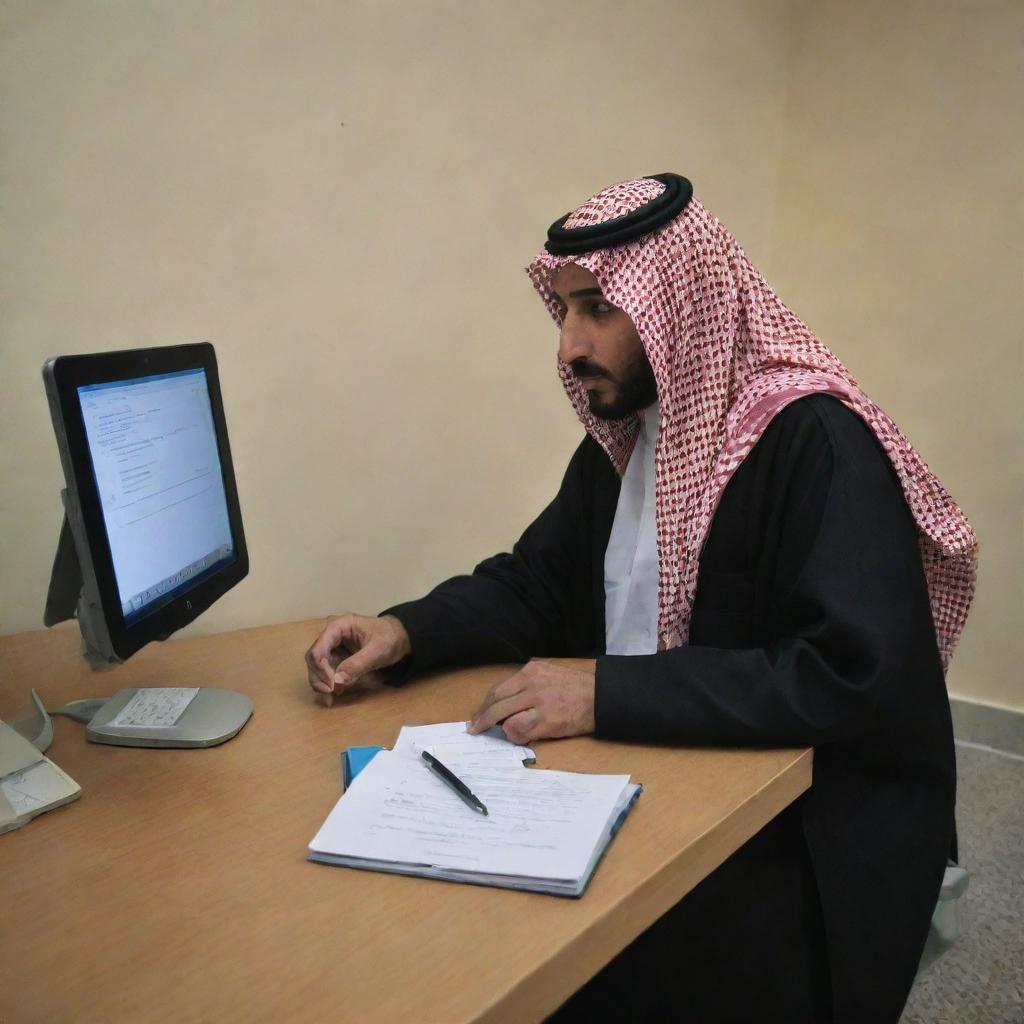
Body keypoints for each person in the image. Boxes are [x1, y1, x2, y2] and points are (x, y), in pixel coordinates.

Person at [305, 174, 977, 1023]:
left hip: (807, 826)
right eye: (564, 310)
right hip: (667, 766)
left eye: (598, 309)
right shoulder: (630, 436)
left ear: (677, 306)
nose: (568, 346)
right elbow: (539, 581)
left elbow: (843, 677)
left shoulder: (815, 444)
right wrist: (405, 631)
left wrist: (605, 690)